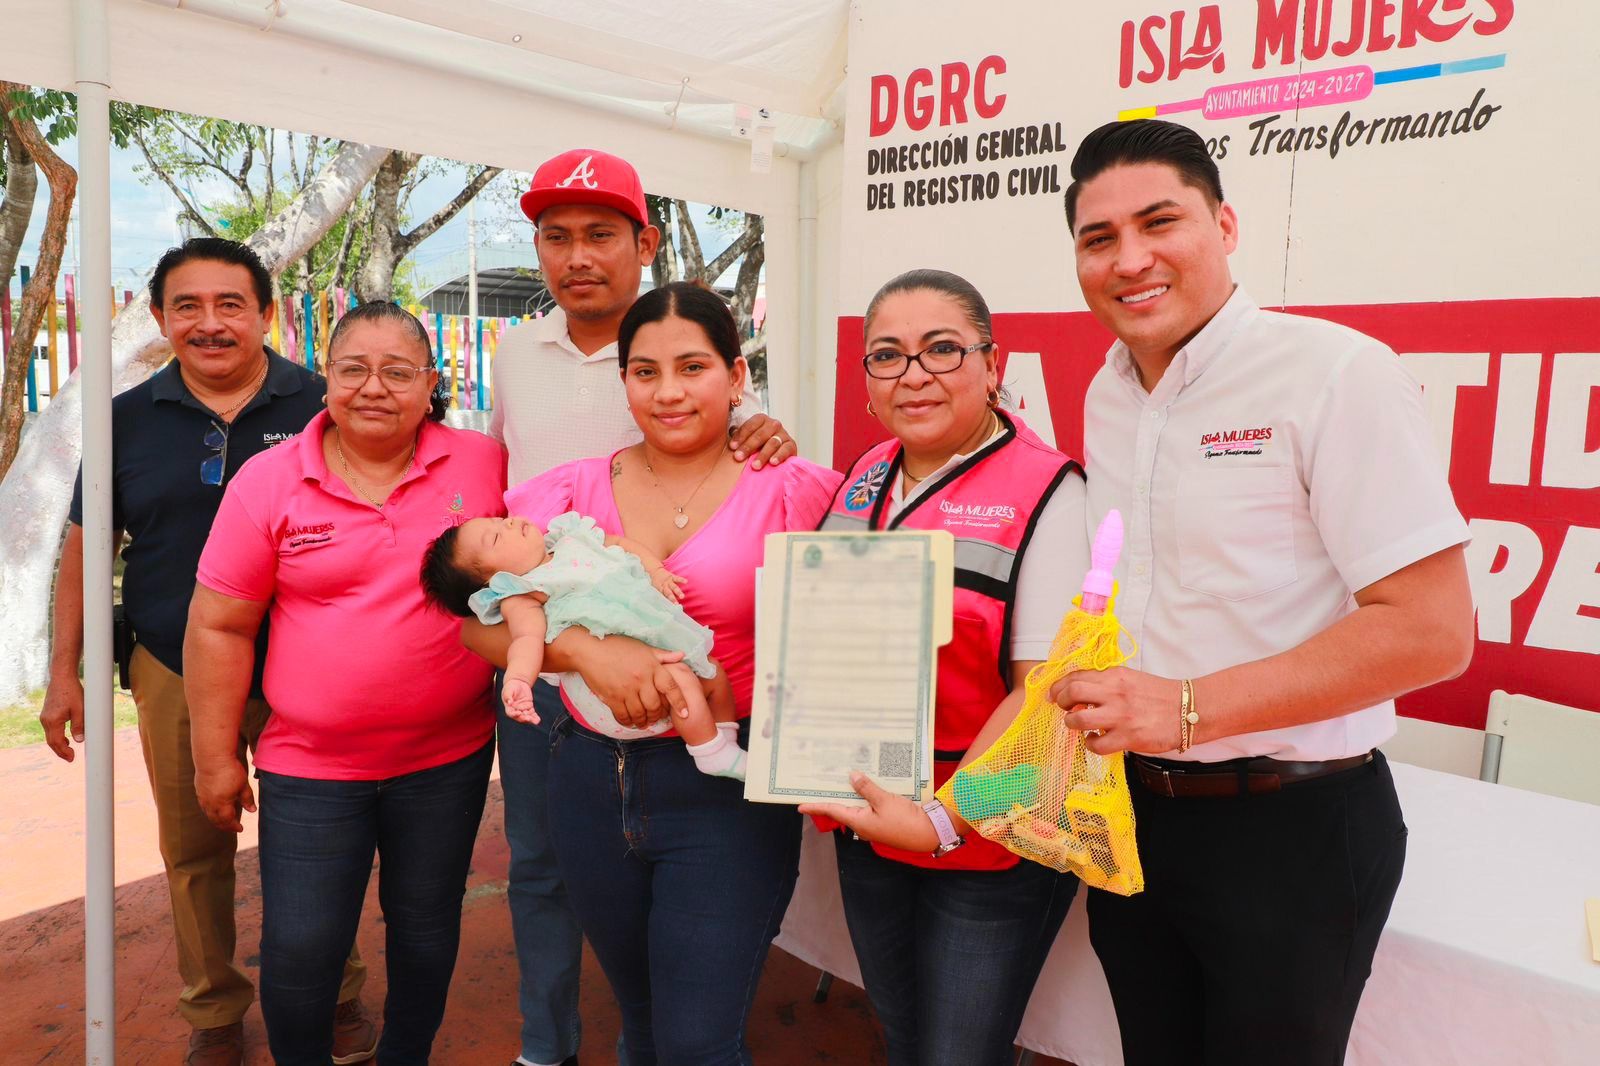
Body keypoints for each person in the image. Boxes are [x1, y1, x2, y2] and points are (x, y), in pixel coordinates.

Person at [471, 281, 841, 1064]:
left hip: (724, 791)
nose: (667, 392)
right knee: (639, 1021)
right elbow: (476, 621)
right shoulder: (565, 494)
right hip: (585, 782)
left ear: (737, 377)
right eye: (644, 372)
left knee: (697, 1041)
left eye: (692, 367)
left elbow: (852, 631)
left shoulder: (799, 490)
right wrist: (581, 653)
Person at [37, 237, 372, 1066]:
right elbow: (85, 546)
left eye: (231, 305)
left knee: (319, 839)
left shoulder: (323, 404)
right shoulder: (122, 421)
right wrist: (61, 671)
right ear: (159, 319)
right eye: (188, 306)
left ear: (268, 313)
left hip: (310, 663)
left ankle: (335, 990)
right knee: (193, 848)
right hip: (173, 663)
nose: (210, 323)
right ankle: (214, 1012)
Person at [184, 302, 507, 1065]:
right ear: (325, 378)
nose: (374, 387)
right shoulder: (269, 480)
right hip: (311, 766)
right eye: (354, 368)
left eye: (398, 371)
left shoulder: (482, 462)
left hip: (448, 759)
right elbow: (219, 626)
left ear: (431, 384)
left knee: (426, 932)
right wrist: (214, 757)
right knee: (301, 949)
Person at [799, 269, 1089, 1066]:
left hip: (989, 834)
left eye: (942, 350)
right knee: (899, 1032)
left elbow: (1045, 698)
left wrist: (942, 821)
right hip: (871, 816)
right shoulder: (864, 478)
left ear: (993, 366)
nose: (914, 374)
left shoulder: (1052, 493)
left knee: (959, 1054)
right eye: (888, 356)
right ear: (866, 382)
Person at [420, 512, 746, 778]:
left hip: (654, 639)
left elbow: (620, 544)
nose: (505, 524)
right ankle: (710, 753)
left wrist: (656, 570)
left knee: (713, 674)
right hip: (611, 691)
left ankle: (725, 743)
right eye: (494, 538)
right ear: (495, 582)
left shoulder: (569, 537)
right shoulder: (525, 592)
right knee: (682, 682)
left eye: (497, 520)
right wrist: (519, 680)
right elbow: (526, 640)